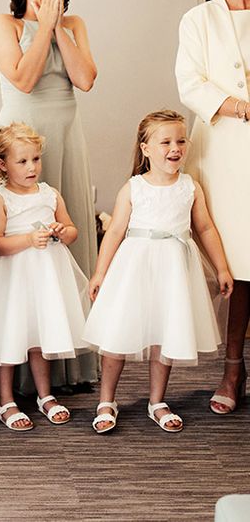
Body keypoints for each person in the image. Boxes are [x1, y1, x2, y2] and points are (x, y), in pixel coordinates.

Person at [0, 0, 98, 390]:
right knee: (18, 244)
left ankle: (67, 364)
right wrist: (42, 26)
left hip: (65, 137)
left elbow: (85, 79)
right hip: (20, 137)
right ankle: (12, 364)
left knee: (63, 240)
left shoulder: (75, 25)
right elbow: (23, 79)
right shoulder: (3, 25)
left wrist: (57, 28)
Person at [83, 110, 232, 434]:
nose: (174, 148)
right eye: (165, 141)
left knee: (165, 335)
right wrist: (100, 274)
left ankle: (157, 400)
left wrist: (221, 267)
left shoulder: (189, 187)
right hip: (134, 270)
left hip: (174, 273)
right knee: (118, 336)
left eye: (180, 140)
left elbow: (205, 228)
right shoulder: (134, 187)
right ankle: (106, 400)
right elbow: (114, 233)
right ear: (146, 148)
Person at [175, 0, 250, 415]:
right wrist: (243, 107)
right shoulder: (199, 18)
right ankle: (231, 366)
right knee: (239, 262)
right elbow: (191, 83)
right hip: (225, 152)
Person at [0, 123, 89, 432]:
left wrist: (63, 232)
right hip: (14, 278)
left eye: (35, 159)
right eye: (22, 161)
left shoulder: (50, 194)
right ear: (3, 164)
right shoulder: (1, 199)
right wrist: (27, 240)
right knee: (10, 336)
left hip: (47, 277)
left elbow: (72, 229)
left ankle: (45, 395)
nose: (31, 167)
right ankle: (6, 400)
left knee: (41, 337)